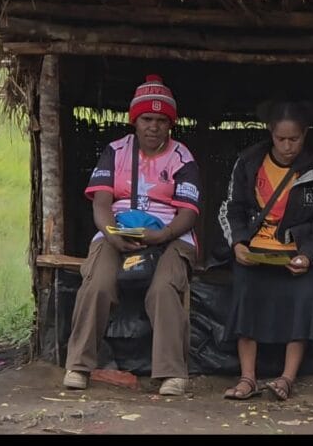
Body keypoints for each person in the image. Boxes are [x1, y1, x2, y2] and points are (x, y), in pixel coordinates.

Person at [63, 74, 202, 396]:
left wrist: (163, 235)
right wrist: (111, 234)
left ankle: (171, 373)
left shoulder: (182, 157)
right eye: (146, 119)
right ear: (134, 121)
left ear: (171, 124)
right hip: (117, 231)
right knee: (97, 284)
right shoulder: (115, 151)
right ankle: (78, 366)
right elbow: (101, 202)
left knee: (164, 288)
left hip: (170, 235)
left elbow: (189, 213)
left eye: (161, 121)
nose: (153, 127)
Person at [219, 101, 313, 401]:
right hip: (255, 252)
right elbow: (231, 208)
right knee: (245, 291)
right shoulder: (248, 163)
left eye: (294, 139)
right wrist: (238, 244)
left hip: (295, 254)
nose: (287, 146)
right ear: (270, 133)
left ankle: (287, 379)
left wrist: (308, 256)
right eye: (281, 139)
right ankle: (247, 378)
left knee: (304, 294)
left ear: (305, 134)